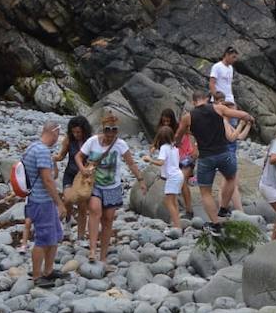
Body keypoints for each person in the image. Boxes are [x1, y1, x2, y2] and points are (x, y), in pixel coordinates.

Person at [77, 113, 148, 268]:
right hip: (94, 184)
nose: (110, 134)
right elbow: (78, 156)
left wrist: (141, 180)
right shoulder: (92, 141)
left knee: (108, 219)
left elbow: (131, 163)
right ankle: (92, 250)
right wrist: (82, 169)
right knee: (95, 211)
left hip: (112, 187)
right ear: (103, 129)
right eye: (107, 130)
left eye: (114, 130)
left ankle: (103, 256)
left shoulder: (120, 144)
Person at [177, 91, 253, 224]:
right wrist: (249, 118)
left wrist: (176, 143)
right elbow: (243, 115)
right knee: (231, 178)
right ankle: (223, 208)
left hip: (205, 158)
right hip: (224, 153)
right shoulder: (219, 108)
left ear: (193, 102)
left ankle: (215, 223)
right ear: (207, 99)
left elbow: (178, 136)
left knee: (205, 192)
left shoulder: (187, 117)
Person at [22, 120, 67, 287]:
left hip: (38, 198)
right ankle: (36, 275)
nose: (58, 138)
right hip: (41, 200)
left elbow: (52, 175)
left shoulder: (33, 147)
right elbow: (48, 180)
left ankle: (48, 270)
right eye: (58, 134)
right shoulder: (41, 151)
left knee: (54, 235)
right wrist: (59, 203)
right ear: (54, 132)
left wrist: (53, 161)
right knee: (42, 238)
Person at [55, 116, 92, 240]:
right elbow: (61, 156)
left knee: (82, 207)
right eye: (74, 132)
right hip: (70, 174)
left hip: (83, 178)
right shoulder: (68, 140)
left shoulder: (90, 141)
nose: (76, 135)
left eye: (79, 132)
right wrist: (53, 158)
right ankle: (68, 220)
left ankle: (81, 237)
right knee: (68, 199)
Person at [147, 125, 184, 229]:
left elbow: (161, 162)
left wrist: (149, 159)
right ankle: (177, 223)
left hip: (172, 177)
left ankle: (177, 226)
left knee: (168, 202)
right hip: (178, 175)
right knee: (174, 201)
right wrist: (154, 148)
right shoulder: (174, 147)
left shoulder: (164, 148)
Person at [222, 99, 250, 215]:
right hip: (226, 156)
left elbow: (240, 136)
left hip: (230, 155)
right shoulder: (224, 122)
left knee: (227, 184)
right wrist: (241, 124)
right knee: (232, 185)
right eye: (234, 111)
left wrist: (248, 125)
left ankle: (223, 208)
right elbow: (232, 137)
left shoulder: (228, 123)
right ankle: (240, 211)